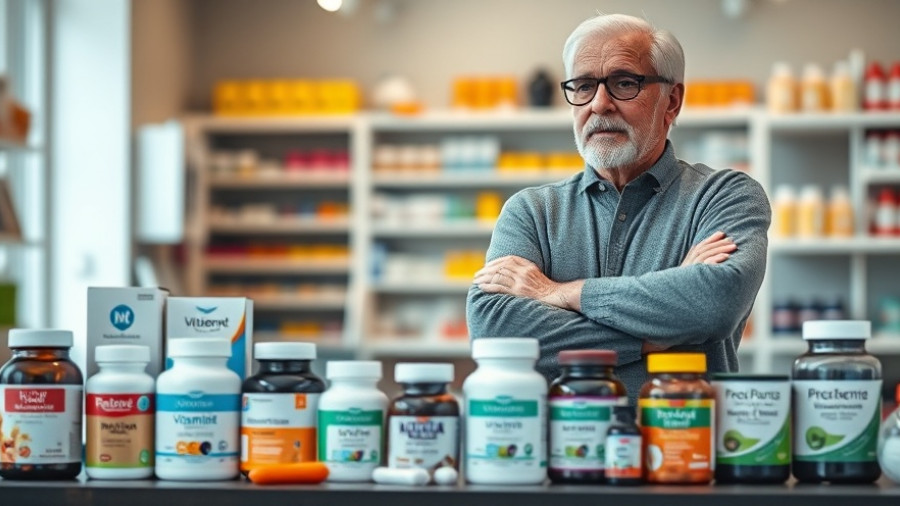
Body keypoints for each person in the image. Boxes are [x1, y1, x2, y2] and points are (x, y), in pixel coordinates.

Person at [465, 13, 770, 403]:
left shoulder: (725, 196)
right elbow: (493, 328)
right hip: (563, 441)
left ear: (671, 101)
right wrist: (654, 334)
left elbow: (714, 302)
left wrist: (559, 292)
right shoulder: (531, 212)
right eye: (583, 86)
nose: (599, 104)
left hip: (683, 436)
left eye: (624, 83)